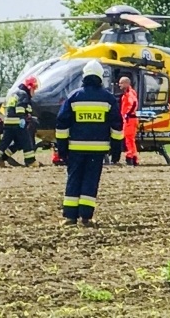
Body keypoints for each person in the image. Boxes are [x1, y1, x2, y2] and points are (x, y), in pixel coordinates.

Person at [56, 60, 123, 227]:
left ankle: (70, 217)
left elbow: (62, 123)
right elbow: (117, 125)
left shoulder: (74, 96)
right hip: (97, 150)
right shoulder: (108, 98)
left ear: (84, 77)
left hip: (75, 149)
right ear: (100, 78)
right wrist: (116, 150)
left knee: (74, 180)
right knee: (90, 181)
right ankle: (86, 217)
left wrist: (62, 148)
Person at [0, 75, 39, 168]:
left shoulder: (15, 93)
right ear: (30, 87)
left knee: (6, 142)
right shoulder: (23, 94)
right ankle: (30, 161)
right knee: (27, 142)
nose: (34, 92)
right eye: (34, 88)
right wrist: (23, 118)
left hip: (8, 122)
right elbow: (20, 108)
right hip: (17, 123)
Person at [119, 76, 139, 166]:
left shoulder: (130, 93)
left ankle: (130, 157)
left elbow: (134, 103)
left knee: (128, 139)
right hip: (131, 119)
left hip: (129, 119)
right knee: (131, 139)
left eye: (121, 83)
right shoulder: (129, 93)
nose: (119, 85)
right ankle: (134, 158)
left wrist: (127, 114)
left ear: (127, 84)